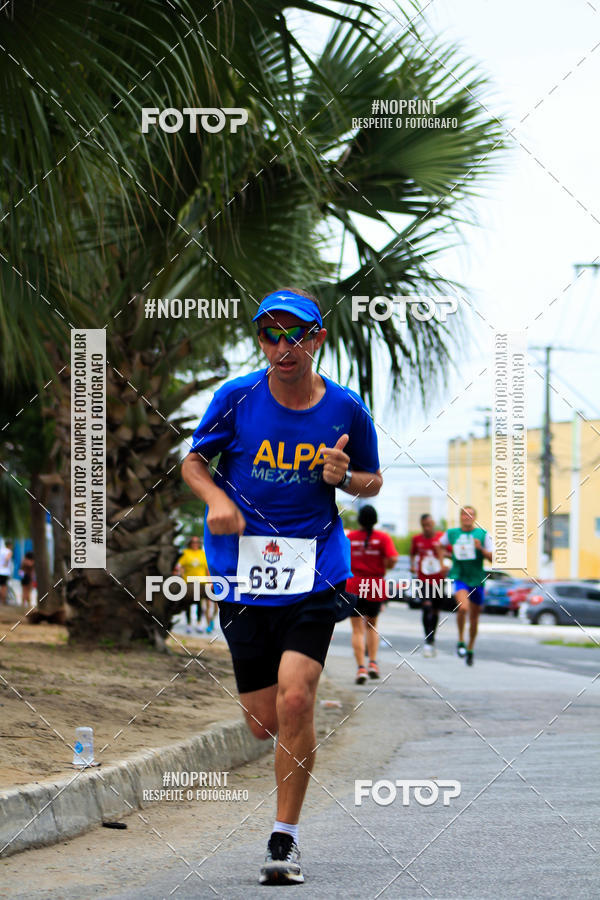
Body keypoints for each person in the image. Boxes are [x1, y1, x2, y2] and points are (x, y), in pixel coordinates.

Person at [182, 287, 382, 885]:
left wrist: (347, 478)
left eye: (294, 334)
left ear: (317, 339)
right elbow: (194, 460)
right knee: (263, 722)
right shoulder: (235, 398)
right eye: (271, 334)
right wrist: (217, 497)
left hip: (315, 568)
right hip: (243, 575)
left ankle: (284, 840)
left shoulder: (345, 409)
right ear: (261, 341)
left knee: (297, 697)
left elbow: (372, 481)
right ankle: (281, 786)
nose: (282, 345)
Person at [436, 506, 493, 666]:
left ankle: (470, 648)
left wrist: (480, 549)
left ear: (475, 518)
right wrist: (442, 564)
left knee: (474, 619)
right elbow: (439, 545)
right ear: (461, 517)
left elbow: (493, 558)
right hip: (459, 576)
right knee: (463, 608)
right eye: (464, 514)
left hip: (477, 579)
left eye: (470, 515)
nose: (467, 517)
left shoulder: (482, 534)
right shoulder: (452, 533)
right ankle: (460, 640)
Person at [346, 506, 397, 683]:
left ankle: (360, 668)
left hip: (354, 585)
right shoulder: (383, 538)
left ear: (359, 520)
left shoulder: (350, 537)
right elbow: (392, 561)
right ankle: (373, 663)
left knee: (357, 630)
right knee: (372, 626)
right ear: (375, 520)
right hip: (375, 584)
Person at [410, 514, 445, 657]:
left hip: (439, 579)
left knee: (435, 611)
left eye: (429, 525)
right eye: (424, 525)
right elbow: (413, 554)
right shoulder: (417, 539)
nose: (427, 528)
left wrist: (441, 553)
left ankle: (432, 638)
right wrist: (412, 565)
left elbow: (450, 553)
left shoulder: (441, 538)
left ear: (433, 523)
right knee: (426, 606)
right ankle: (428, 640)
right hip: (423, 579)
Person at [174, 536, 210, 633]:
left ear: (199, 543)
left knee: (199, 604)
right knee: (188, 604)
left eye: (197, 542)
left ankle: (198, 624)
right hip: (188, 582)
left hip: (201, 583)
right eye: (193, 542)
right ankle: (189, 624)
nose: (195, 544)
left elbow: (207, 569)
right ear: (190, 543)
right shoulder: (186, 553)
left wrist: (210, 581)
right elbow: (180, 566)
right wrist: (180, 574)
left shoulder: (203, 554)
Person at [0, 540, 13, 605]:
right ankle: (3, 600)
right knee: (4, 586)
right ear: (10, 545)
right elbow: (7, 558)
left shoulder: (1, 550)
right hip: (5, 571)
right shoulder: (9, 551)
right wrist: (6, 563)